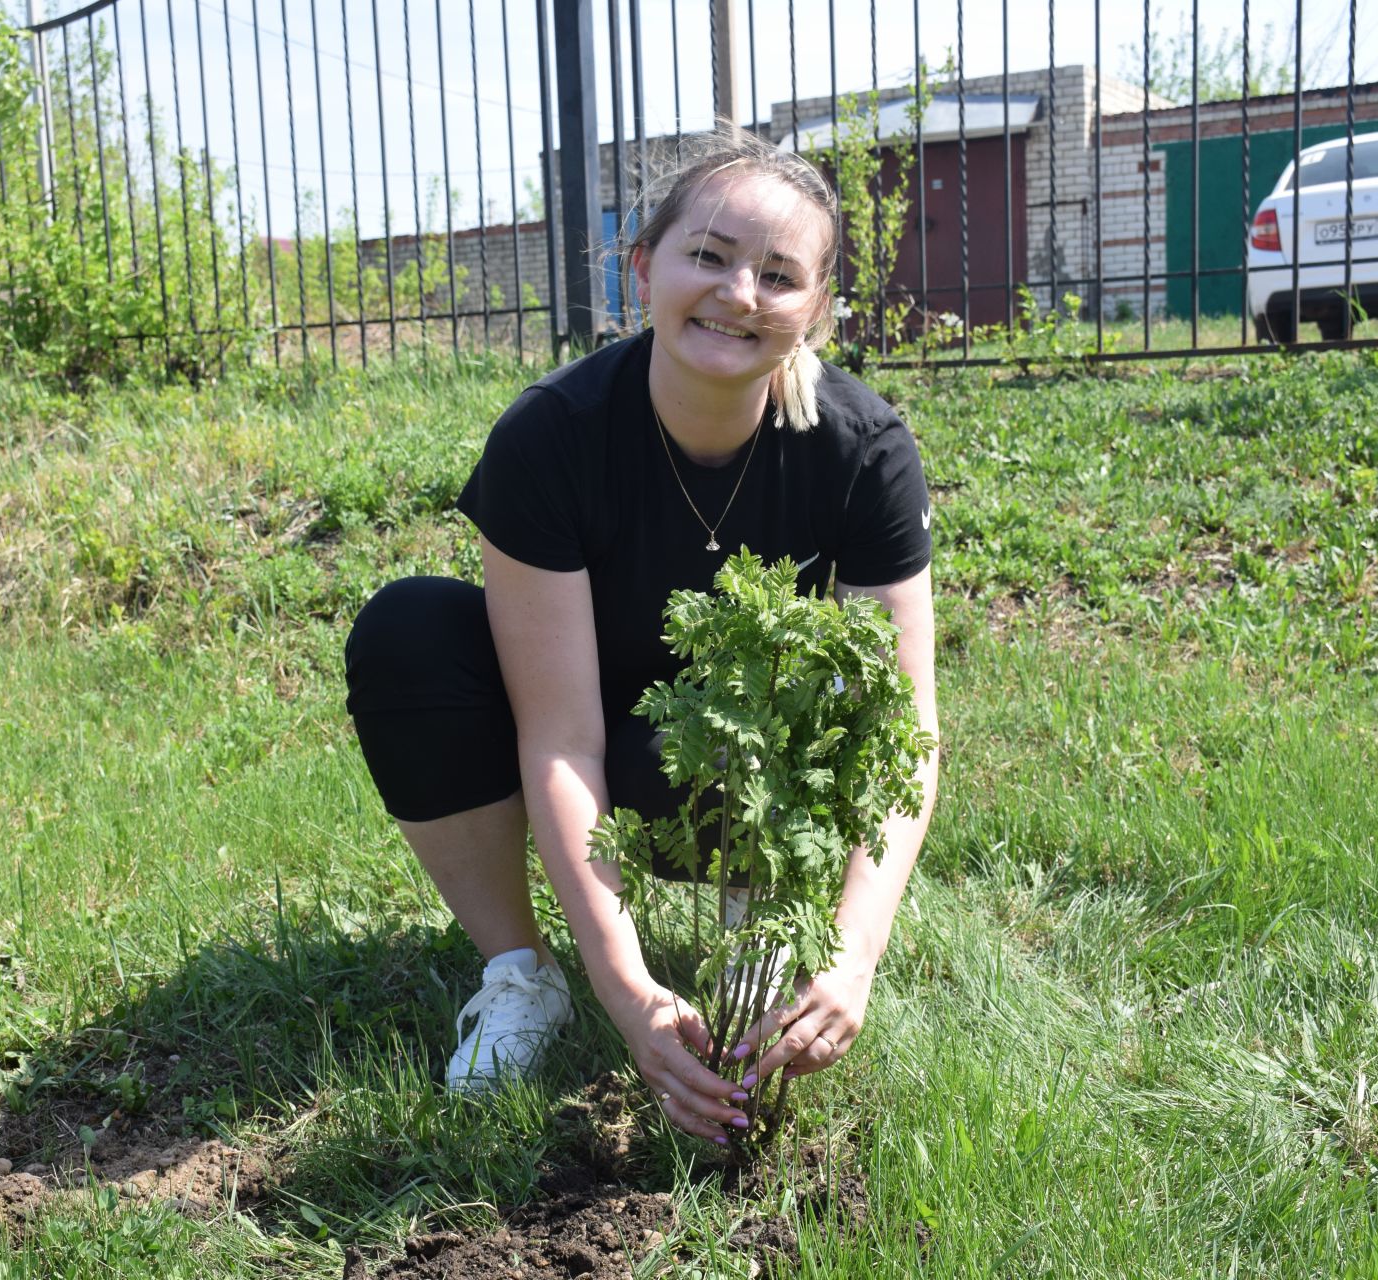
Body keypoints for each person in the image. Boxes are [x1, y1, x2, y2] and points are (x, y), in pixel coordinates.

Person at [343, 128, 939, 1144]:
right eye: (708, 256)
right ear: (642, 269)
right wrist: (628, 990)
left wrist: (852, 953)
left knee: (834, 694)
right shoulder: (552, 436)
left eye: (779, 274)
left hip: (746, 765)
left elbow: (902, 736)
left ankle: (765, 915)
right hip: (600, 745)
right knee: (410, 630)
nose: (739, 292)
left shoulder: (863, 452)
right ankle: (523, 977)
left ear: (817, 309)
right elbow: (562, 737)